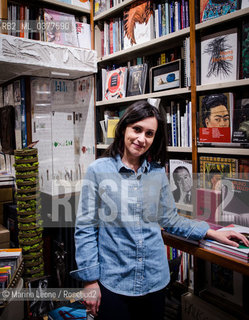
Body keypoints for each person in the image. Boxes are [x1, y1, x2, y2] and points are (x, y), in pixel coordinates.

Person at [71, 101, 249, 320]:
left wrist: (211, 232)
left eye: (149, 133)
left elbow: (171, 220)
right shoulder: (98, 170)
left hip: (154, 281)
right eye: (137, 129)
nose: (141, 139)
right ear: (124, 128)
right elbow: (85, 228)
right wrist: (90, 280)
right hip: (115, 282)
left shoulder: (157, 173)